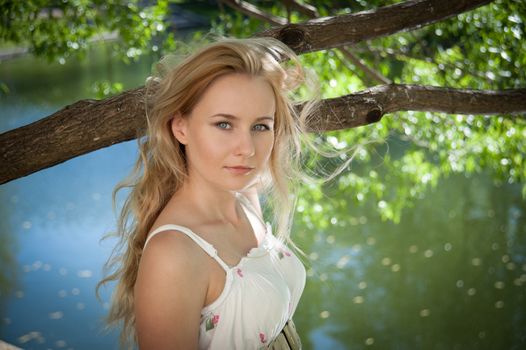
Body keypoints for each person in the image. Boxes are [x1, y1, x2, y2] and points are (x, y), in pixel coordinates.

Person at [97, 35, 327, 349]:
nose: (246, 149)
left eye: (260, 126)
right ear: (180, 128)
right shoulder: (174, 253)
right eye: (223, 124)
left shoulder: (244, 198)